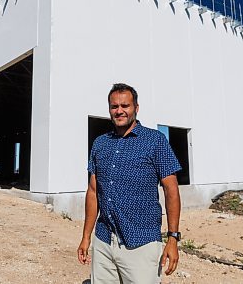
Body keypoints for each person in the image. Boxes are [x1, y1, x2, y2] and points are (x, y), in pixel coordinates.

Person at [77, 83, 182, 283]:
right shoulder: (100, 143)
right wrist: (86, 236)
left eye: (125, 106)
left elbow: (171, 191)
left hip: (141, 242)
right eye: (114, 106)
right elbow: (93, 191)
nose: (119, 111)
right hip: (104, 240)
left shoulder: (155, 141)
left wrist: (173, 238)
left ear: (136, 108)